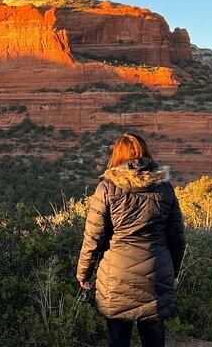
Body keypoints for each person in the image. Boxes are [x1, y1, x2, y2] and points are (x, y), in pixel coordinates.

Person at [76, 133, 186, 347]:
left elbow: (93, 237)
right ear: (146, 153)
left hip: (117, 274)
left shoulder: (106, 188)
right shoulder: (164, 187)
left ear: (117, 156)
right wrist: (174, 272)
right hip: (157, 272)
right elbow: (177, 237)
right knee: (154, 338)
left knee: (117, 338)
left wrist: (84, 273)